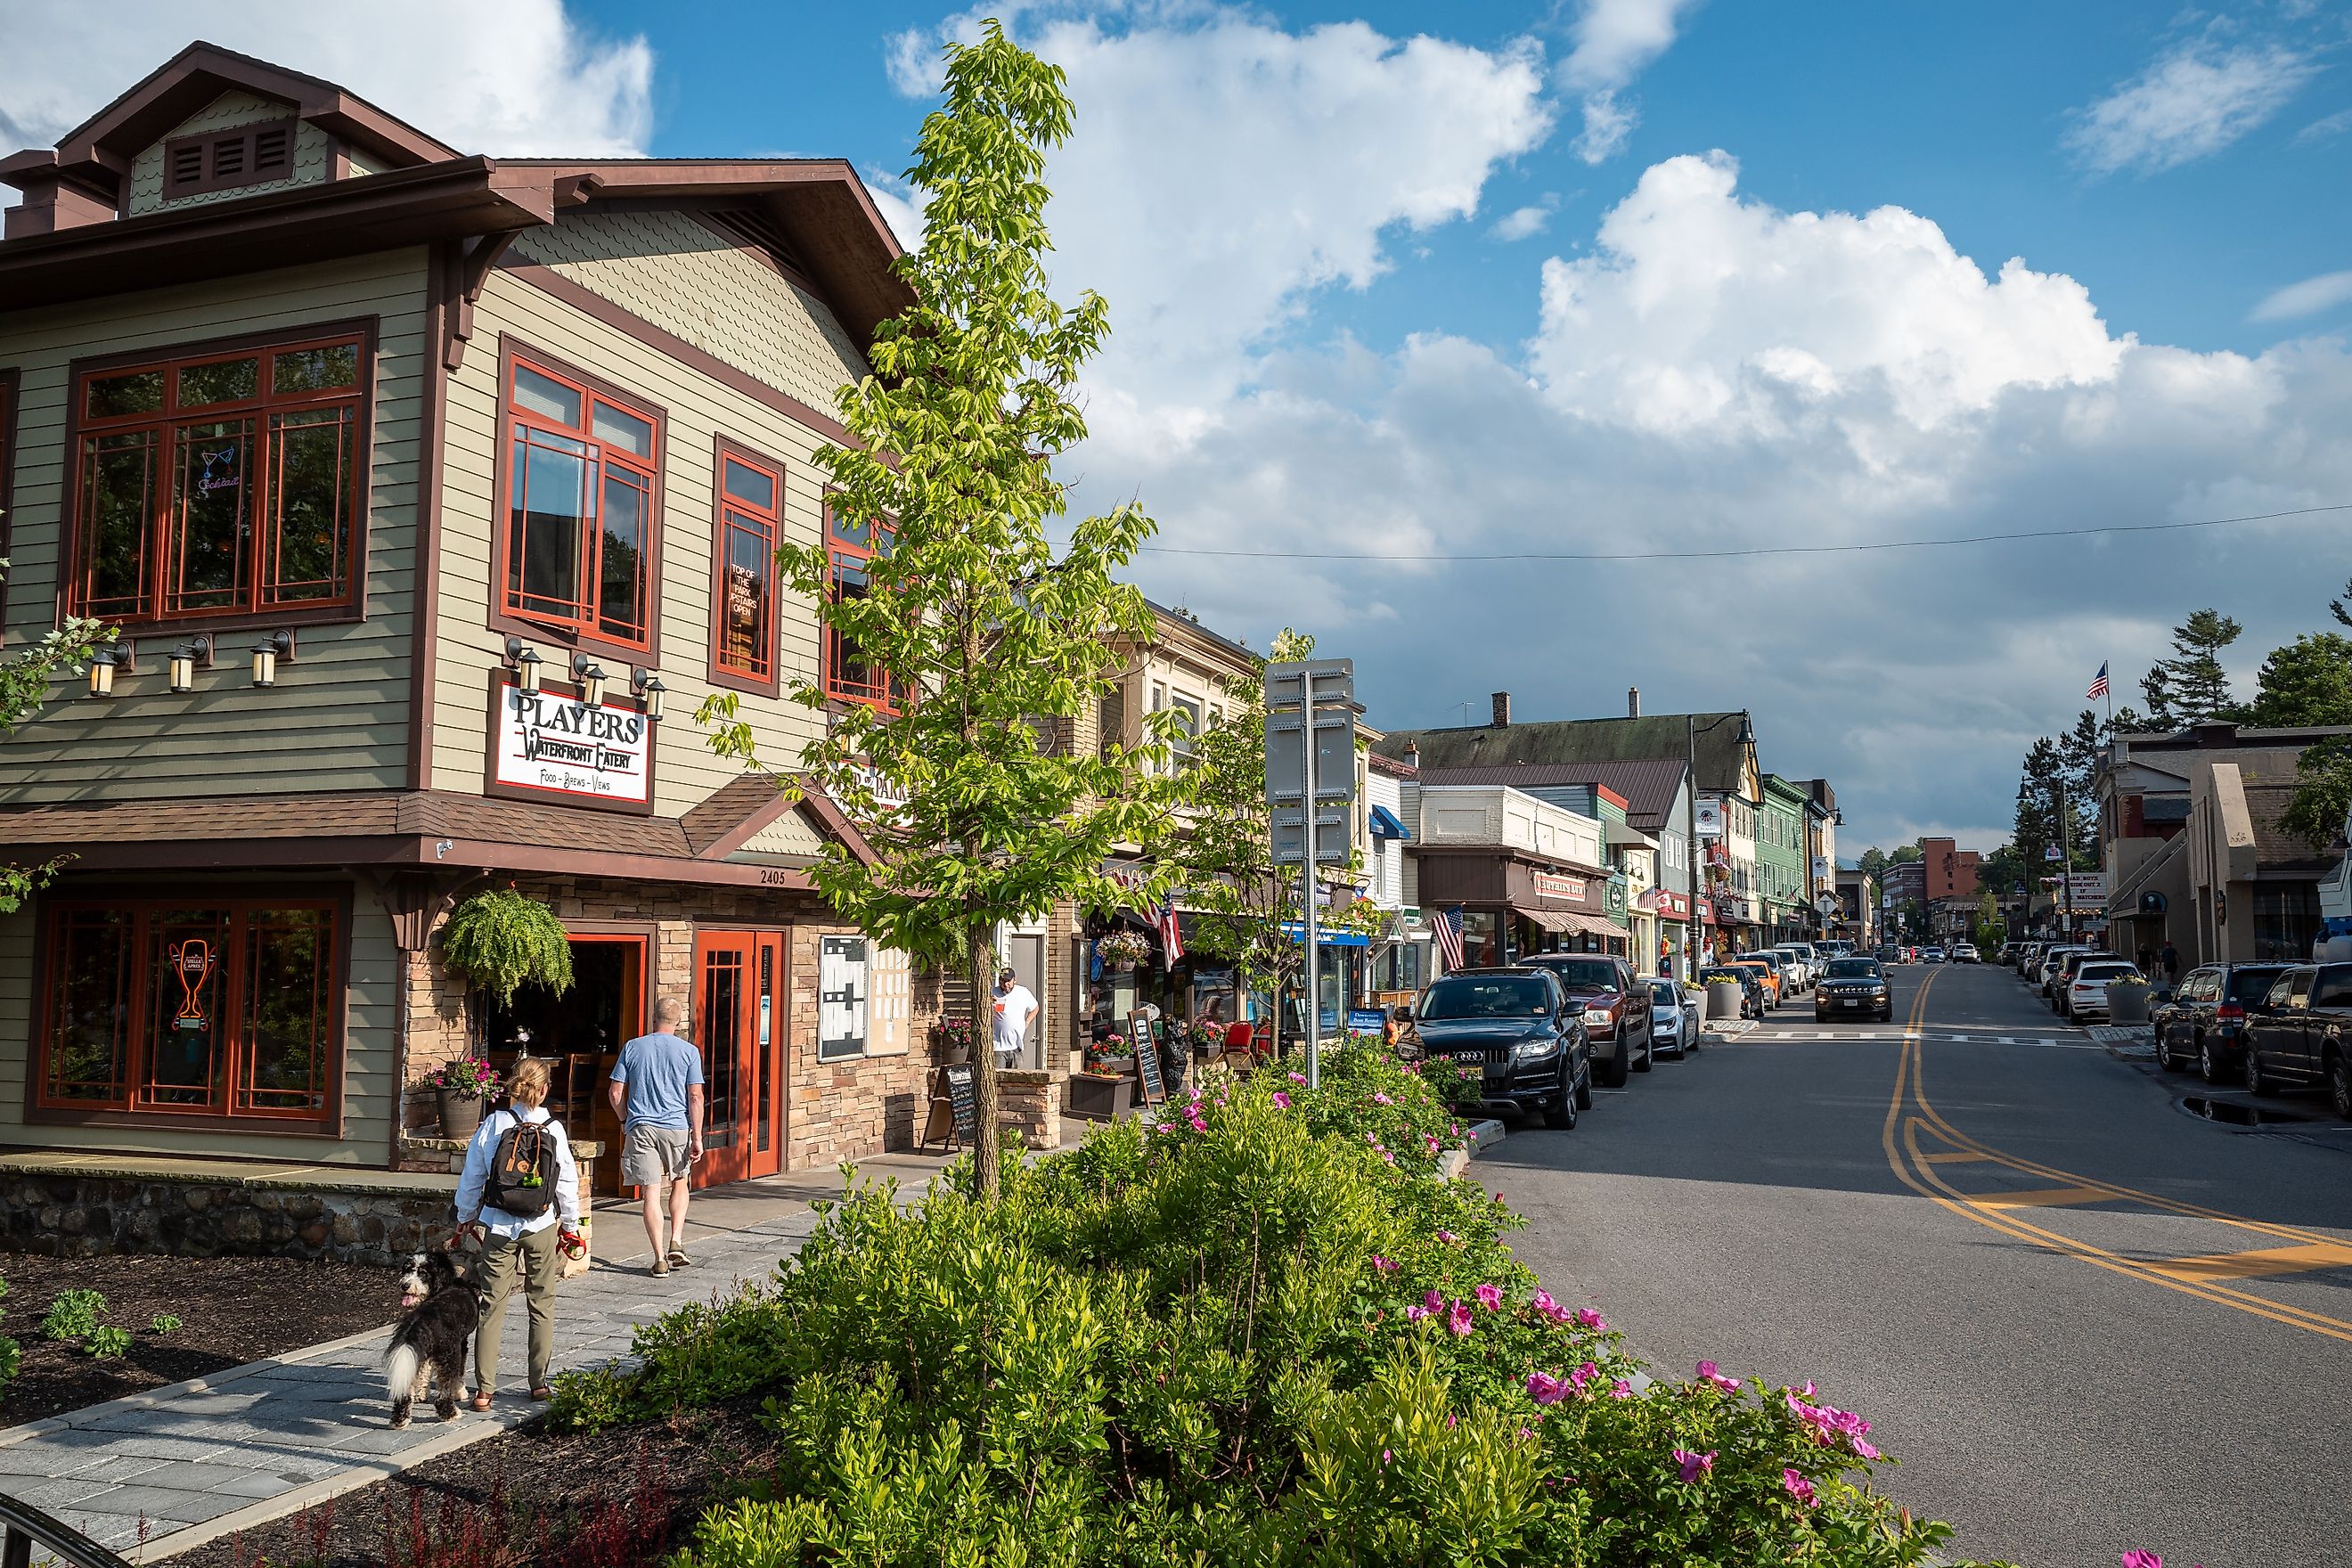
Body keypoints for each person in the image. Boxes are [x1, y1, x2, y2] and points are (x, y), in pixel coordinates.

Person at [454, 1057, 581, 1408]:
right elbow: (567, 1183)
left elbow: (473, 1174)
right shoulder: (554, 1128)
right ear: (544, 1089)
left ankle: (484, 1390)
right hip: (540, 1224)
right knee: (542, 1302)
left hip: (497, 1223)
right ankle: (538, 1383)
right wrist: (571, 1226)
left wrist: (465, 1215)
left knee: (492, 1304)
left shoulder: (494, 1123)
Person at [608, 995, 705, 1278]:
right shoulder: (689, 1052)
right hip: (676, 1127)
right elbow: (695, 1097)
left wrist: (625, 1120)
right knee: (680, 1181)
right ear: (677, 1021)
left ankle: (660, 1258)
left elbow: (615, 1093)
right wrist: (696, 1137)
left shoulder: (632, 1048)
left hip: (641, 1128)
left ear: (653, 1018)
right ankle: (676, 1238)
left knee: (650, 1192)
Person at [992, 966, 1039, 1070]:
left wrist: (1026, 1023)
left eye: (1008, 981)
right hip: (998, 1048)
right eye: (1002, 981)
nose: (1005, 984)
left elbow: (1035, 1008)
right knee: (998, 1081)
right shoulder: (993, 993)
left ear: (1014, 980)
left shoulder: (1023, 992)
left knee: (1016, 1081)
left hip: (1016, 1048)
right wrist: (988, 1003)